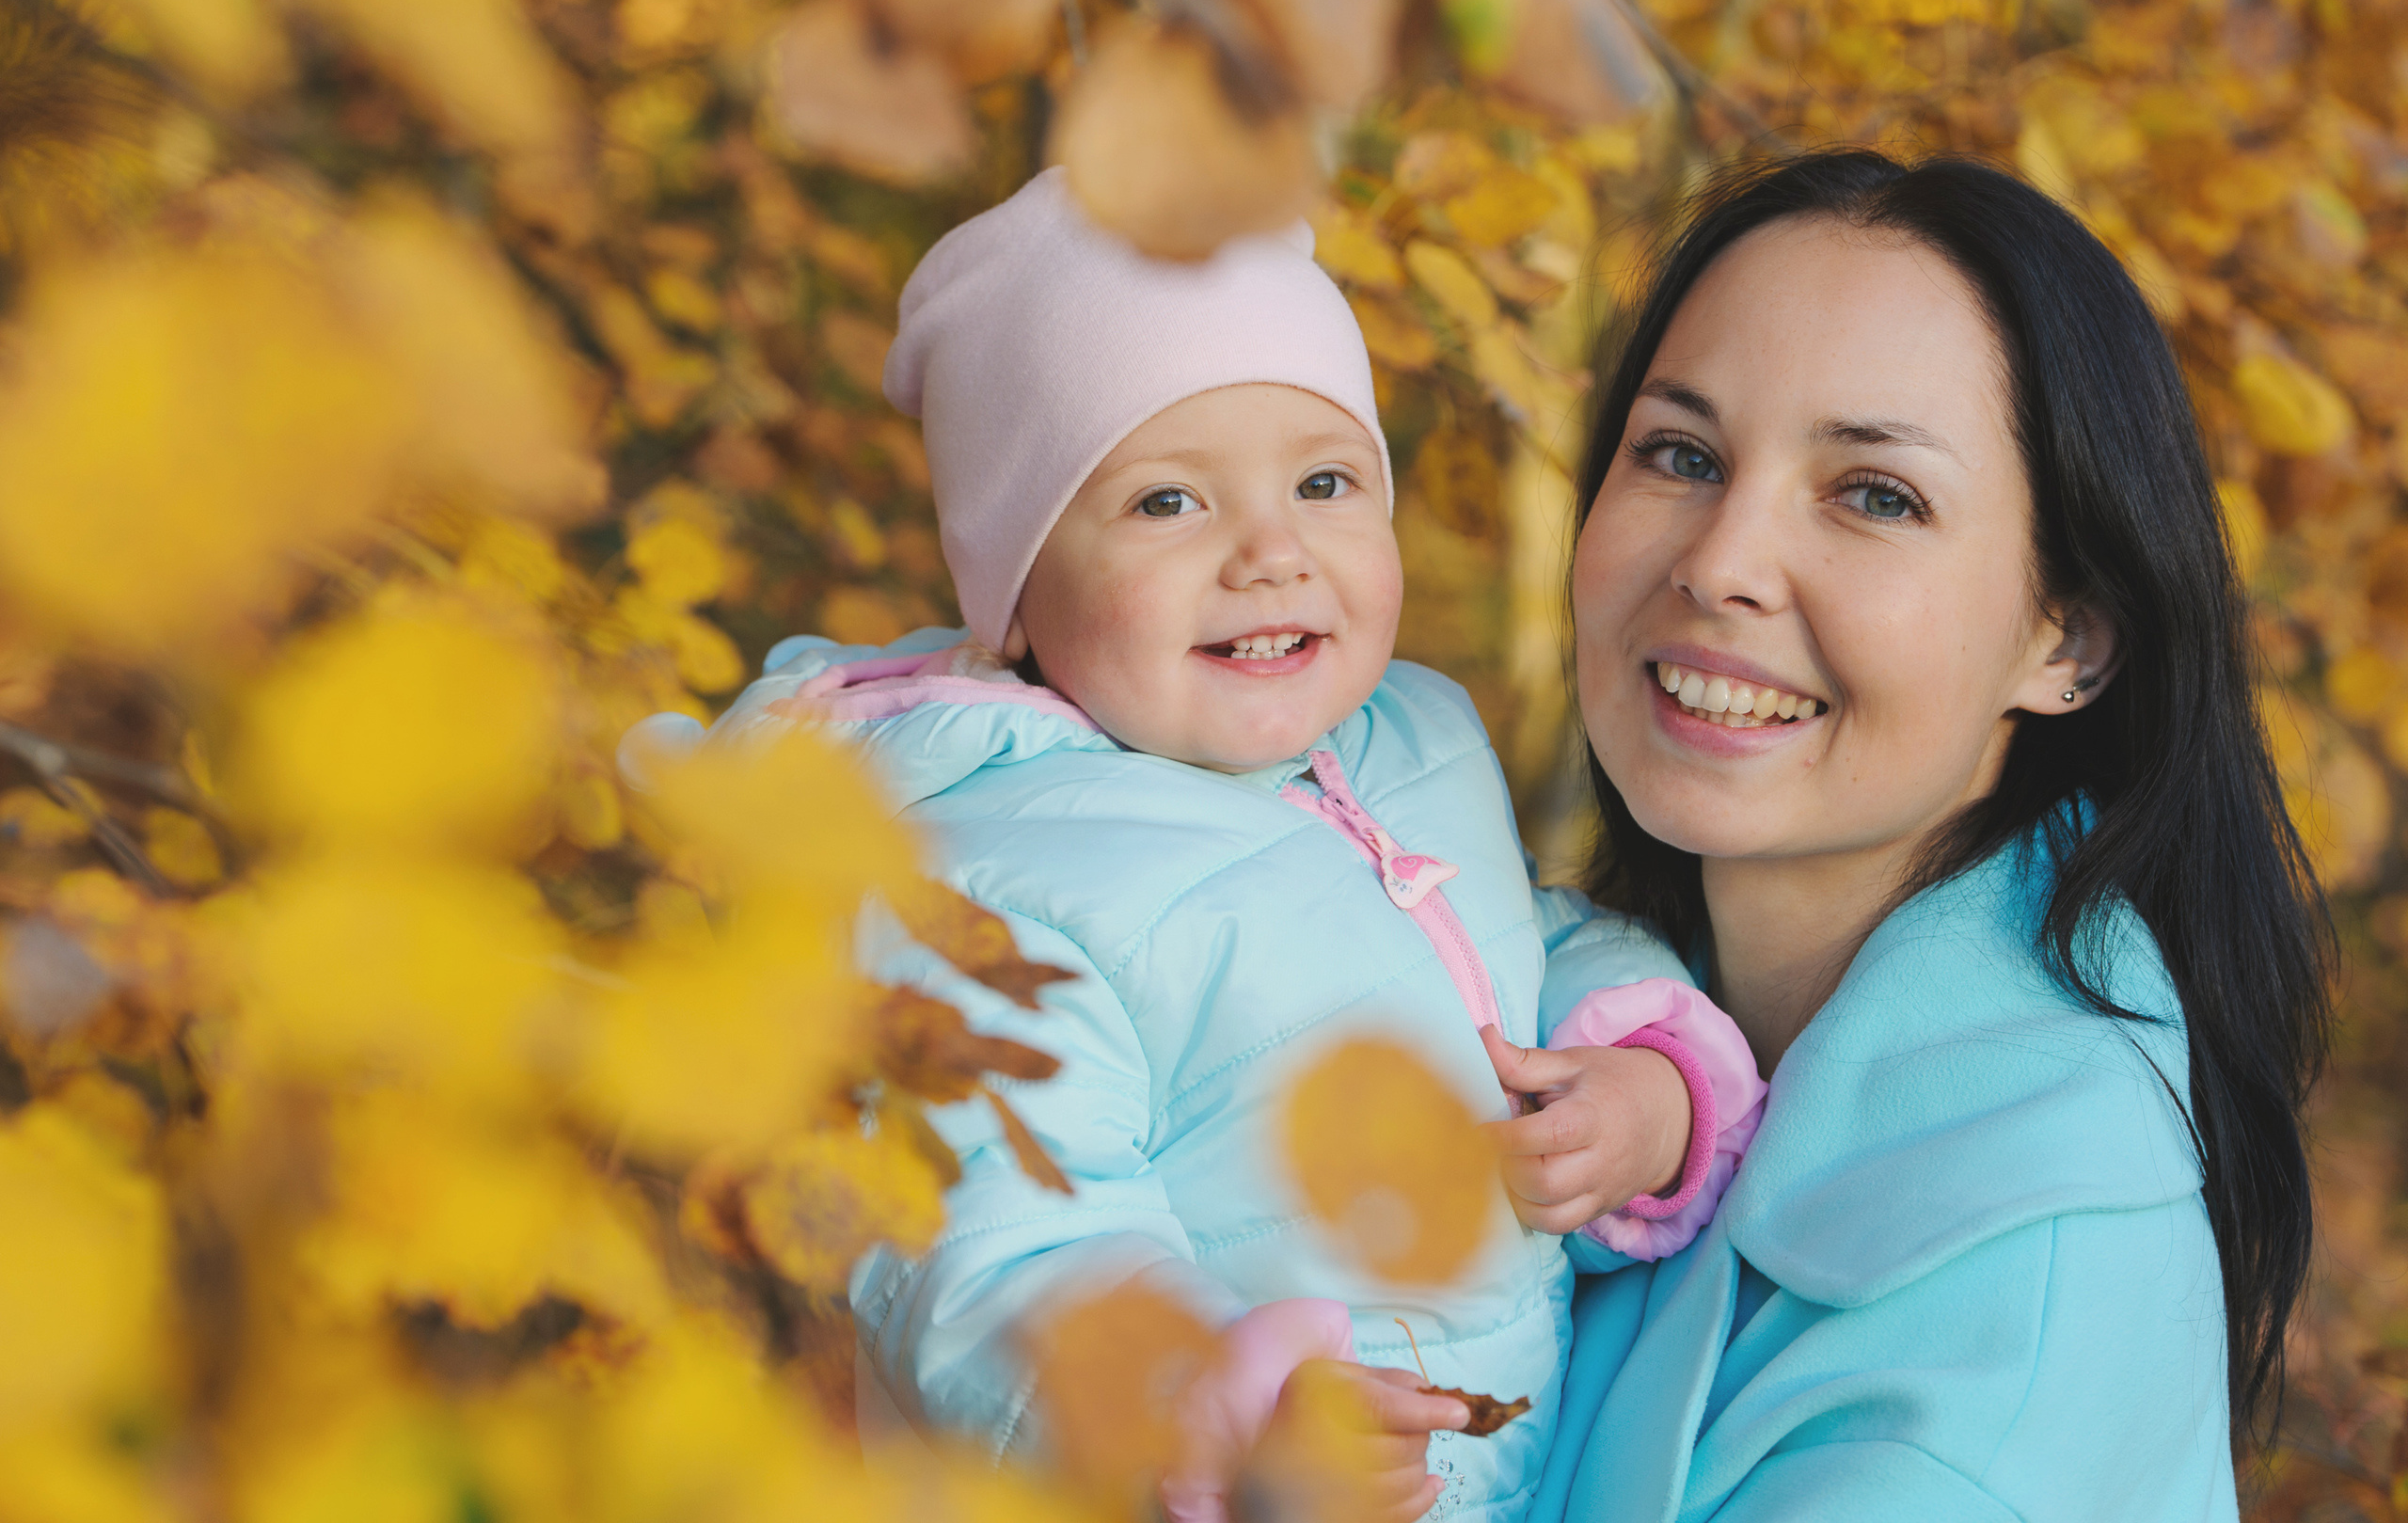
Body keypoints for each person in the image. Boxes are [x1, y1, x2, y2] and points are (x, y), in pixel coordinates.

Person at [622, 168, 1765, 1523]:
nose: (1271, 553)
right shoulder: (983, 880)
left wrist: (1645, 1080)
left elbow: (1509, 942)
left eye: (1327, 481)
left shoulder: (1410, 736)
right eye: (1169, 504)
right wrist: (1216, 1411)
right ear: (1018, 601)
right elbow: (989, 1244)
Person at [1533, 149, 2330, 1520]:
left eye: (1875, 494)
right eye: (1681, 454)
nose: (1721, 560)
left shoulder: (2025, 1274)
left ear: (2065, 640)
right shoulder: (1531, 997)